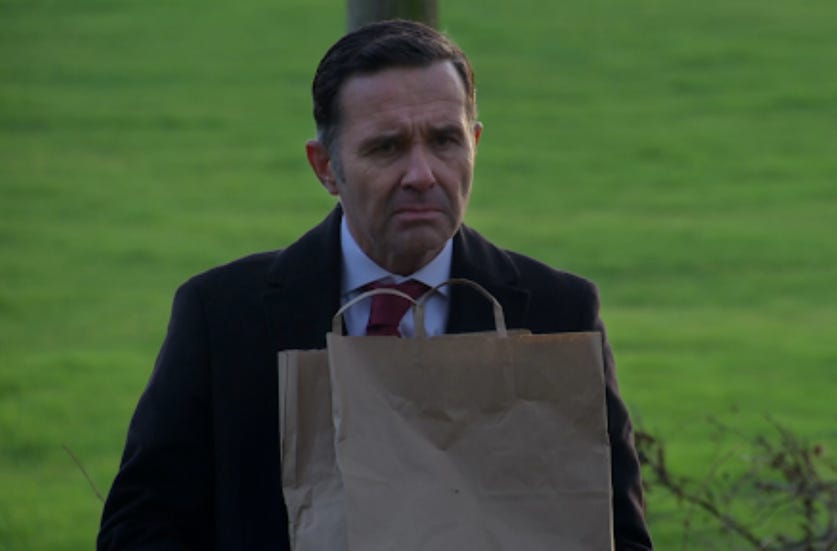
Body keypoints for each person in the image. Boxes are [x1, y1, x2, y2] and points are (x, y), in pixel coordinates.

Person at [98, 19, 653, 550]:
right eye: (386, 147)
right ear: (326, 168)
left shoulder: (558, 312)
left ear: (475, 143)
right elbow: (139, 530)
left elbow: (617, 536)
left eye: (444, 141)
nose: (422, 174)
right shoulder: (222, 316)